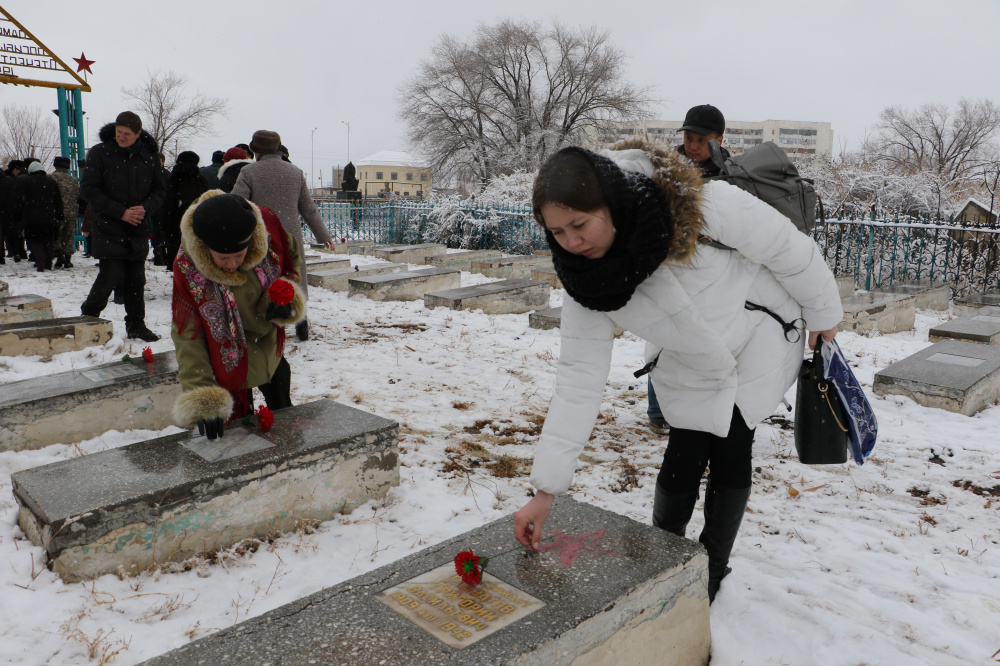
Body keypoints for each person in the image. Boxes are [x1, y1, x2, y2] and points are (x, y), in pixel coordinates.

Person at [513, 139, 842, 602]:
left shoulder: (709, 208)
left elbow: (791, 250)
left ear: (611, 202)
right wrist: (545, 490)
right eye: (557, 232)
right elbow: (577, 381)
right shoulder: (585, 281)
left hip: (758, 338)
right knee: (684, 450)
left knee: (732, 445)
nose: (571, 242)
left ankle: (712, 568)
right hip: (687, 357)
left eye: (580, 224)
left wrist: (824, 313)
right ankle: (662, 557)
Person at [171, 191, 305, 440]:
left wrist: (286, 294)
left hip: (268, 348)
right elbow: (188, 334)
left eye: (240, 256)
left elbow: (292, 256)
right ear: (205, 248)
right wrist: (203, 400)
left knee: (284, 420)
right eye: (223, 258)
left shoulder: (266, 227)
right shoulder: (187, 269)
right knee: (240, 436)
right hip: (225, 358)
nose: (232, 265)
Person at [232, 129, 334, 341]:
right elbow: (309, 209)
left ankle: (264, 324)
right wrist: (324, 236)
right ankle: (301, 323)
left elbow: (235, 204)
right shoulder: (295, 172)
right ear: (279, 149)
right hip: (291, 236)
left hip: (262, 236)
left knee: (263, 277)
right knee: (293, 275)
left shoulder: (249, 173)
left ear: (255, 150)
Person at [80, 111, 167, 342]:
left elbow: (160, 190)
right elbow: (89, 189)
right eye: (119, 132)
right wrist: (121, 212)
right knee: (110, 274)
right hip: (109, 225)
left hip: (137, 227)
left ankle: (136, 325)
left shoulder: (149, 155)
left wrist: (145, 208)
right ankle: (89, 315)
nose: (121, 137)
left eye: (127, 133)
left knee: (136, 280)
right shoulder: (100, 153)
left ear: (138, 134)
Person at [163, 150, 209, 269]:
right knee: (192, 252)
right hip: (194, 220)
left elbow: (165, 203)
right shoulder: (201, 181)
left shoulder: (170, 180)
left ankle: (175, 270)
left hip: (172, 219)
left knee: (174, 251)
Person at [18, 161, 64, 272]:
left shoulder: (26, 182)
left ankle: (40, 263)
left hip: (32, 218)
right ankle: (48, 263)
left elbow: (20, 201)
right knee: (48, 241)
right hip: (50, 217)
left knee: (36, 241)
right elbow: (58, 201)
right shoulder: (51, 182)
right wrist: (60, 215)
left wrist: (19, 216)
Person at [50, 156, 81, 269]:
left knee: (55, 234)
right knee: (68, 235)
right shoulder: (73, 180)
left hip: (57, 212)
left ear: (55, 165)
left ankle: (59, 256)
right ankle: (68, 260)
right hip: (72, 212)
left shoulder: (52, 178)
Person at [1, 160, 26, 262]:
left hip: (6, 209)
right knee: (15, 232)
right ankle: (17, 252)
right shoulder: (13, 180)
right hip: (12, 210)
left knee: (7, 233)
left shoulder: (5, 178)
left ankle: (12, 252)